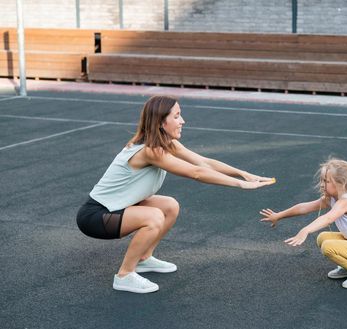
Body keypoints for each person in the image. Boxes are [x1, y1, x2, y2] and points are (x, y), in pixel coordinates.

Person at [77, 95, 274, 294]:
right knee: (154, 216)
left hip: (116, 210)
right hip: (96, 216)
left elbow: (203, 163)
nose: (183, 121)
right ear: (162, 122)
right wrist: (240, 185)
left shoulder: (166, 144)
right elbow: (196, 173)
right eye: (177, 116)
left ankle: (144, 259)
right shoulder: (150, 151)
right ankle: (124, 275)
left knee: (170, 206)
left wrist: (243, 174)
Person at [260, 158, 347, 289]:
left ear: (341, 184)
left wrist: (305, 230)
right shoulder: (332, 199)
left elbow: (327, 218)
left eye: (326, 181)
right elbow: (304, 208)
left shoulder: (345, 202)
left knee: (328, 246)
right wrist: (278, 215)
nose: (322, 184)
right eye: (322, 180)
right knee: (323, 237)